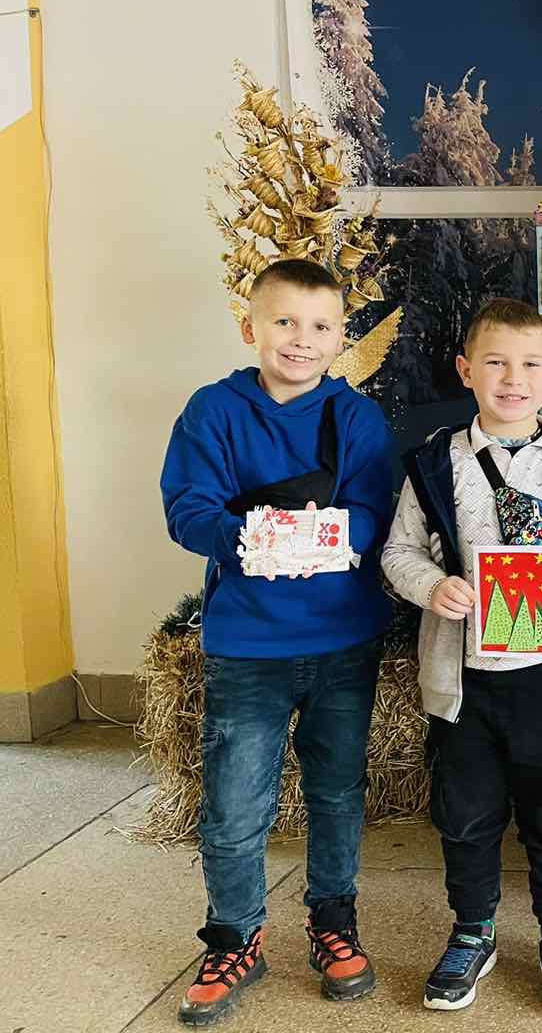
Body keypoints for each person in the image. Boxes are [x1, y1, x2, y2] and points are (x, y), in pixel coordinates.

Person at [160, 258, 395, 1026]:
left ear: (341, 338)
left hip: (343, 640)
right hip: (247, 646)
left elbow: (375, 510)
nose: (302, 339)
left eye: (321, 326)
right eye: (285, 321)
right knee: (234, 804)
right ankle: (234, 938)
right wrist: (252, 540)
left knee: (336, 791)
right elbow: (188, 508)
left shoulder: (358, 420)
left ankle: (334, 922)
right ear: (250, 327)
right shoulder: (213, 411)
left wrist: (333, 536)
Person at [381, 298, 542, 1014]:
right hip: (465, 680)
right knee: (466, 814)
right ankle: (473, 930)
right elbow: (397, 551)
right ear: (467, 371)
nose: (512, 379)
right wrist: (434, 587)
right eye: (495, 363)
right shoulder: (436, 464)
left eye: (529, 365)